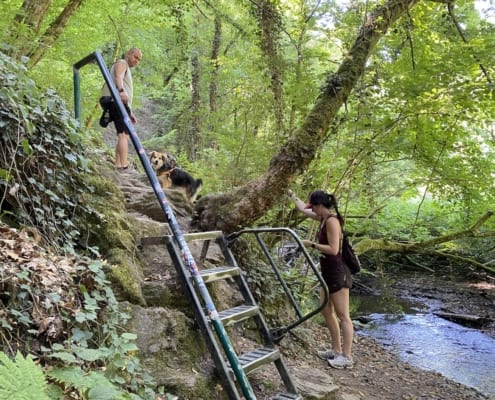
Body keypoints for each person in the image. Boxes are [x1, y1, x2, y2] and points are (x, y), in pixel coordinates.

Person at [289, 189, 354, 369]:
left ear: (320, 205)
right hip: (326, 272)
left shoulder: (332, 221)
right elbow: (303, 209)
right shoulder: (322, 218)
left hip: (338, 272)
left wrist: (312, 245)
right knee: (326, 311)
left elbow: (334, 249)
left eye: (314, 207)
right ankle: (336, 349)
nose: (312, 211)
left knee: (343, 315)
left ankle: (347, 357)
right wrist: (291, 194)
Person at [100, 47, 142, 172]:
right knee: (124, 135)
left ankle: (118, 164)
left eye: (139, 60)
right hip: (117, 102)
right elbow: (118, 77)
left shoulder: (125, 67)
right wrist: (122, 91)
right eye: (135, 57)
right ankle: (124, 166)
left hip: (119, 103)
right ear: (128, 54)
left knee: (123, 135)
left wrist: (130, 110)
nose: (137, 61)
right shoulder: (122, 63)